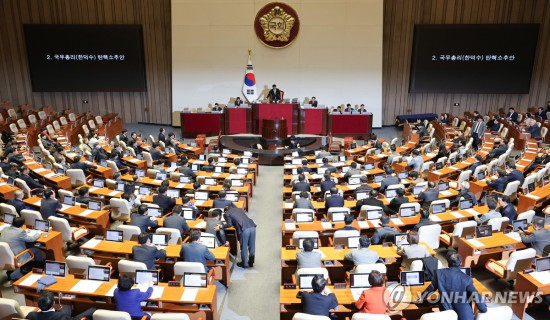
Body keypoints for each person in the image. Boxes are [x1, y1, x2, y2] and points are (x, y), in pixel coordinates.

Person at [420, 252, 487, 320]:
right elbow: (475, 294)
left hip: (447, 310)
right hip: (464, 314)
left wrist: (422, 297)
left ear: (448, 262)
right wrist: (483, 308)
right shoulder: (467, 279)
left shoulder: (439, 273)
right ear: (460, 263)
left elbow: (432, 287)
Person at [26, 291, 96, 320]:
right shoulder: (61, 316)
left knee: (68, 307)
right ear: (53, 303)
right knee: (93, 309)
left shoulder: (31, 315)